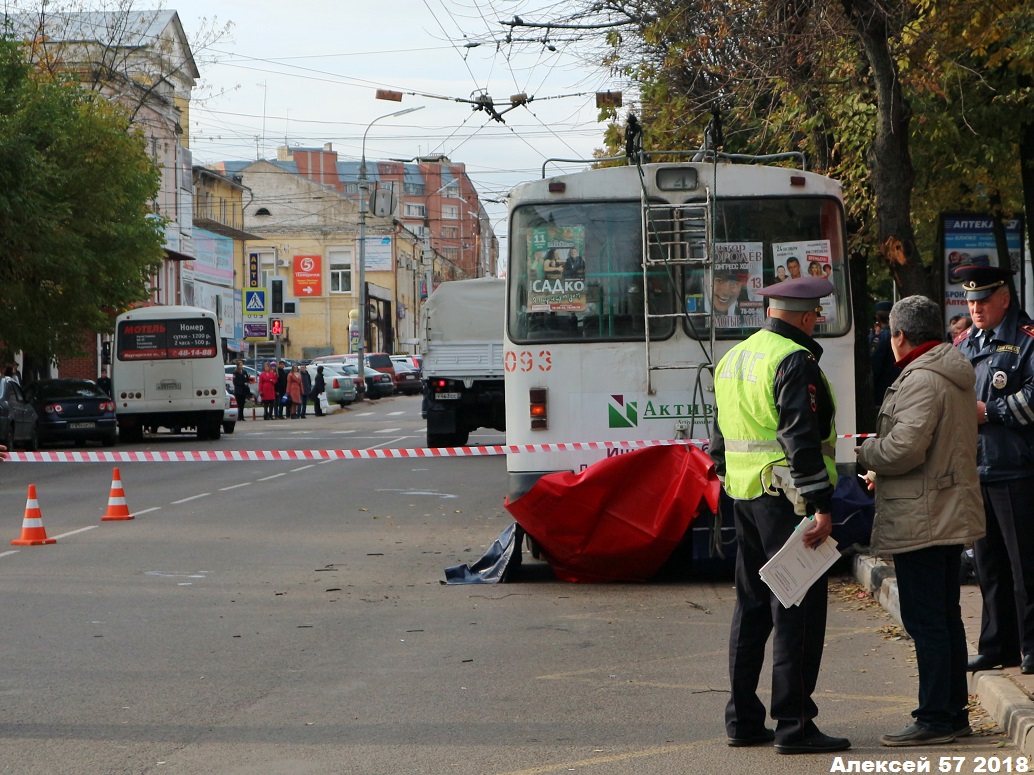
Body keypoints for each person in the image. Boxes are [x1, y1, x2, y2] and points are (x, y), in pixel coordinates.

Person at [710, 275, 850, 755]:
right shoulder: (794, 361)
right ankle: (794, 724)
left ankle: (743, 720)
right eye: (816, 316)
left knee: (751, 608)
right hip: (788, 502)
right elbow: (801, 440)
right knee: (799, 610)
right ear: (808, 315)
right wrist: (820, 507)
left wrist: (733, 482)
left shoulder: (734, 357)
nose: (817, 322)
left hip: (745, 497)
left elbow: (719, 441)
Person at [857, 295, 984, 746]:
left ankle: (935, 717)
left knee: (926, 619)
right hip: (942, 509)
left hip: (925, 514)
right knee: (944, 616)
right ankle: (952, 713)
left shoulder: (921, 379)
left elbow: (903, 448)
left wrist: (866, 452)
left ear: (900, 335)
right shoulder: (947, 369)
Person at [953, 265, 1034, 675]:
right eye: (970, 301)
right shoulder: (965, 342)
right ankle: (996, 645)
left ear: (1005, 297)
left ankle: (1031, 645)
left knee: (1025, 567)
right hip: (978, 468)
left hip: (1016, 467)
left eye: (983, 299)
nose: (976, 307)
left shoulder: (1028, 339)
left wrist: (992, 412)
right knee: (989, 566)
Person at [870, 302, 899, 405]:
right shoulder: (899, 335)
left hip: (883, 390)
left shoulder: (881, 337)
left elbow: (874, 363)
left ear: (877, 317)